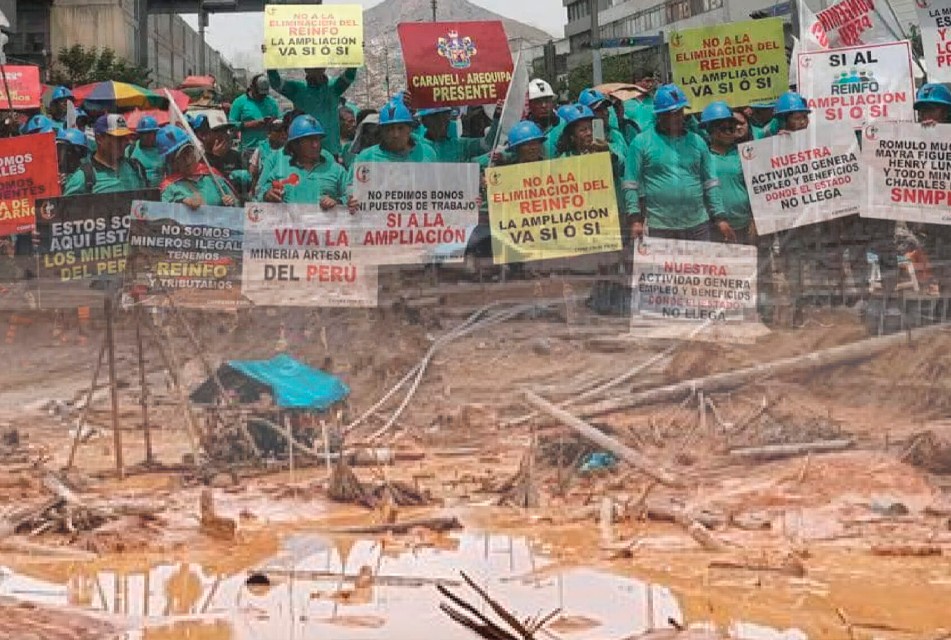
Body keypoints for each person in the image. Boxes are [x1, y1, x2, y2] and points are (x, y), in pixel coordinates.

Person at [623, 84, 725, 242]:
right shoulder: (641, 143)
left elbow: (710, 182)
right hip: (660, 227)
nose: (679, 117)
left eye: (681, 112)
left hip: (698, 225)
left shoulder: (697, 142)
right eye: (673, 114)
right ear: (660, 115)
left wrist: (720, 217)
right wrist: (635, 219)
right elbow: (631, 183)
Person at [256, 115, 348, 208]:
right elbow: (259, 194)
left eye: (317, 139)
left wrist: (338, 202)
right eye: (309, 140)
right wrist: (267, 195)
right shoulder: (280, 169)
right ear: (295, 144)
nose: (315, 145)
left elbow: (352, 197)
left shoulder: (336, 170)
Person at [267, 67, 358, 156]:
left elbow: (349, 76)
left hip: (331, 149)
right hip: (305, 150)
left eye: (319, 66)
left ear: (324, 68)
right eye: (312, 67)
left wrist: (354, 56)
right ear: (306, 69)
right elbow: (276, 83)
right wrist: (271, 62)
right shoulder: (298, 89)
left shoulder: (334, 88)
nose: (316, 70)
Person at [701, 102, 752, 244]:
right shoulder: (702, 156)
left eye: (732, 127)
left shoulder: (745, 154)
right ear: (711, 130)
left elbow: (756, 189)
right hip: (711, 227)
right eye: (725, 128)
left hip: (743, 226)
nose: (731, 132)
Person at [63, 115, 147, 195]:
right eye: (118, 138)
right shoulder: (83, 178)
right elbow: (66, 208)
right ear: (99, 138)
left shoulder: (136, 168)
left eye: (125, 138)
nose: (125, 142)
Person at [157, 125, 237, 208]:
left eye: (188, 152)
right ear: (171, 162)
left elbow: (236, 209)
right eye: (180, 158)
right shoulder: (169, 188)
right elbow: (163, 214)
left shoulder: (213, 176)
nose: (187, 160)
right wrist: (180, 202)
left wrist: (228, 203)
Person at [418, 106, 499, 163]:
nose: (443, 123)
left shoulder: (459, 145)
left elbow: (488, 144)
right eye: (437, 119)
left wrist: (497, 117)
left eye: (445, 117)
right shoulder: (416, 147)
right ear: (424, 121)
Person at [229, 74, 280, 157]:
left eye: (264, 95)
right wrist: (251, 124)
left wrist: (273, 123)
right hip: (248, 150)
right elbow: (231, 125)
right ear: (252, 87)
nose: (261, 97)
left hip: (268, 150)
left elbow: (280, 120)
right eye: (259, 94)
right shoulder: (239, 102)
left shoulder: (272, 103)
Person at [249, 114, 290, 196]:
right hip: (264, 190)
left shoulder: (290, 150)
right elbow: (253, 174)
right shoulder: (261, 150)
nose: (282, 133)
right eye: (278, 131)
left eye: (285, 130)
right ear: (269, 133)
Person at [126, 115, 163, 187]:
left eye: (150, 133)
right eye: (143, 133)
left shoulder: (162, 149)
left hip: (160, 192)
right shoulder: (130, 150)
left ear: (155, 133)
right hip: (137, 192)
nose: (146, 136)